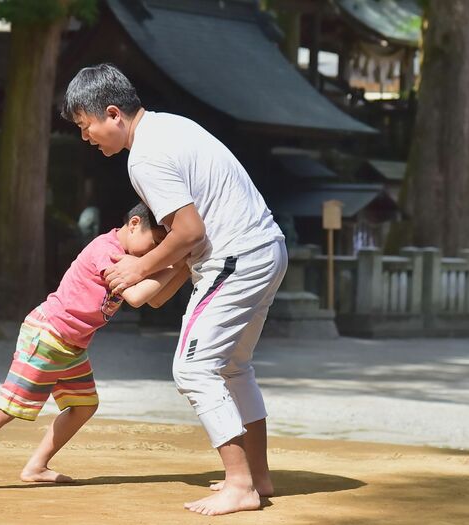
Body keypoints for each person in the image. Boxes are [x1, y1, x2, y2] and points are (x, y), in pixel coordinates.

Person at [61, 63, 288, 516]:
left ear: (112, 114)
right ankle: (256, 476)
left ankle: (240, 483)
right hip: (267, 247)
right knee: (234, 367)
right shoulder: (171, 126)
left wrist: (136, 268)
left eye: (86, 128)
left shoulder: (144, 156)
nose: (86, 138)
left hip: (235, 256)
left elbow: (189, 233)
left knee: (193, 369)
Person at [0, 202, 190, 494]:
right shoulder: (108, 250)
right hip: (47, 335)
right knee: (6, 408)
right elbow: (136, 297)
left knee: (83, 406)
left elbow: (156, 299)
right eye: (155, 243)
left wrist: (181, 267)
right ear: (133, 224)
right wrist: (174, 263)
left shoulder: (133, 257)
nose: (154, 253)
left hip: (71, 345)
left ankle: (36, 467)